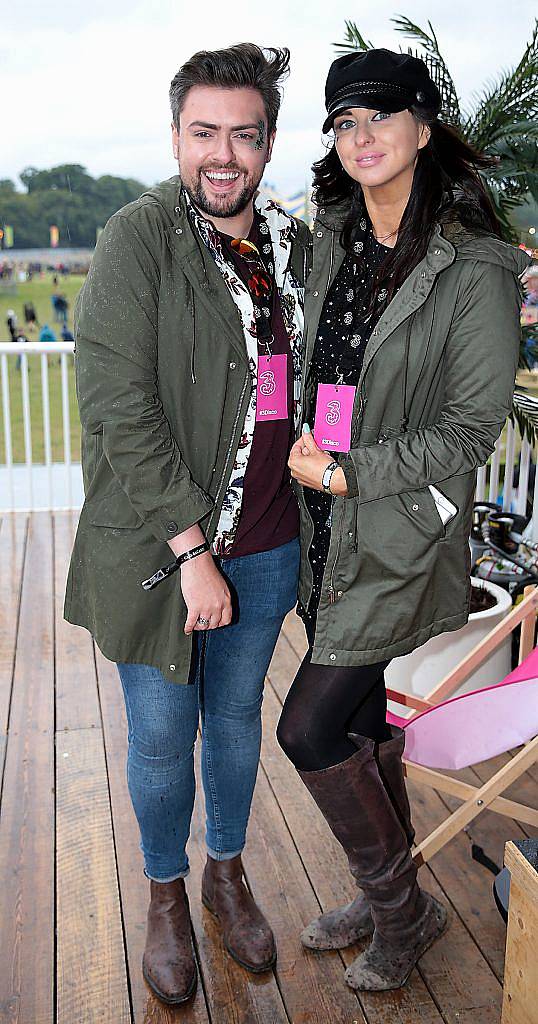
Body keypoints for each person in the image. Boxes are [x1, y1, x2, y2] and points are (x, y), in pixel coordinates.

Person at [277, 48, 531, 994]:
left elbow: (470, 429)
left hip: (393, 525)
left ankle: (403, 909)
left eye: (382, 116)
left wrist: (352, 472)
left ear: (424, 129)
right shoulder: (336, 238)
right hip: (324, 514)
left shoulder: (474, 268)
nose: (362, 136)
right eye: (345, 122)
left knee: (307, 728)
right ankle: (389, 886)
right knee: (366, 708)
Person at [64, 43, 310, 1006]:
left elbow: (324, 373)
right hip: (164, 557)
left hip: (271, 544)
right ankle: (167, 893)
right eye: (203, 132)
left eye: (243, 135)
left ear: (266, 143)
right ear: (176, 137)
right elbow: (119, 403)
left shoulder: (289, 247)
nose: (223, 154)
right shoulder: (140, 238)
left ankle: (227, 870)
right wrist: (192, 548)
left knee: (237, 722)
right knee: (165, 736)